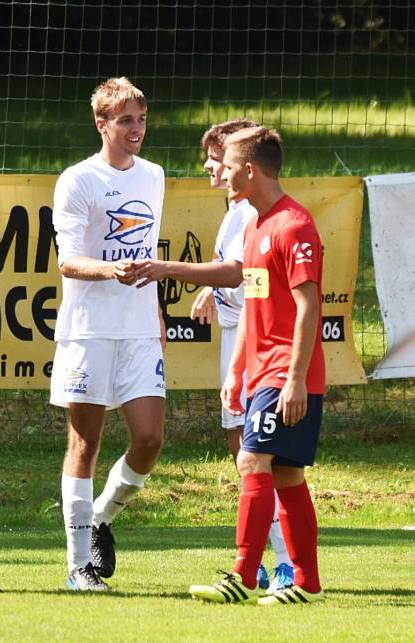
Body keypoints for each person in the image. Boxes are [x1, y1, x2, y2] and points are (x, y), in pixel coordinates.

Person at [131, 119, 294, 593]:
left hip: (258, 343)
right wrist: (213, 295)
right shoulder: (235, 210)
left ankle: (285, 560)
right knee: (241, 448)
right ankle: (261, 557)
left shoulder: (251, 211)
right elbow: (240, 278)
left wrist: (168, 269)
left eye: (216, 157)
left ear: (242, 165)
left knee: (262, 455)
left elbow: (239, 272)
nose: (208, 165)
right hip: (237, 338)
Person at [187, 126, 326, 605]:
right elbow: (253, 303)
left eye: (225, 166)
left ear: (249, 170)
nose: (220, 174)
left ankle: (243, 576)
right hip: (262, 371)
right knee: (286, 474)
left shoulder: (294, 225)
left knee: (252, 460)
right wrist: (235, 372)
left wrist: (293, 379)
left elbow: (310, 307)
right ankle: (306, 584)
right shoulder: (254, 227)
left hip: (287, 370)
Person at [50, 77, 166, 592]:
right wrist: (110, 271)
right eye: (125, 120)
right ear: (102, 125)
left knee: (149, 439)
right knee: (86, 440)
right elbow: (68, 261)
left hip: (140, 328)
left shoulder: (155, 176)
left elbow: (147, 247)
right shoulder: (78, 180)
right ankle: (78, 565)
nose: (136, 129)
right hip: (89, 328)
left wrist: (157, 311)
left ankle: (99, 517)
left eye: (141, 119)